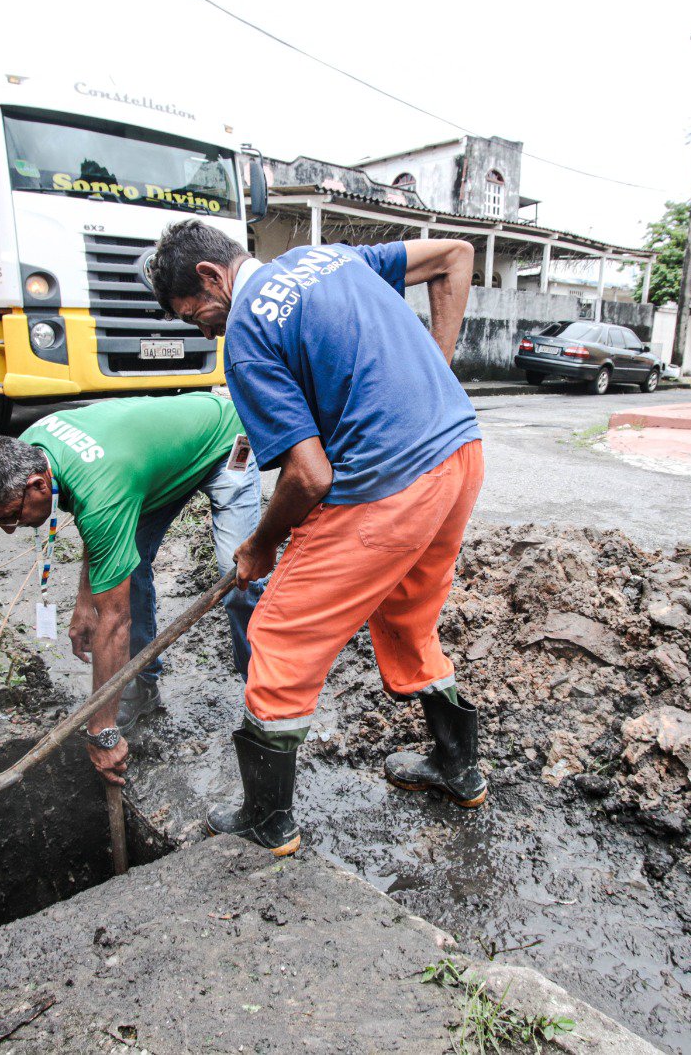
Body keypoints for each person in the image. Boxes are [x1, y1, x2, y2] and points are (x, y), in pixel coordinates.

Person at [146, 219, 483, 858]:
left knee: (279, 635)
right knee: (410, 620)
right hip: (459, 454)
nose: (206, 329)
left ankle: (266, 818)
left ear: (210, 277)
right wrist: (440, 369)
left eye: (196, 316)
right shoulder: (325, 257)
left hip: (387, 486)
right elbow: (455, 257)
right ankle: (459, 769)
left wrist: (262, 544)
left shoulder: (245, 336)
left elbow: (309, 475)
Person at [0, 392, 265, 777]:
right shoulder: (34, 446)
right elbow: (96, 527)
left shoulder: (98, 489)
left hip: (223, 440)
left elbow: (115, 621)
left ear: (37, 485)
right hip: (149, 465)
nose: (8, 528)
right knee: (127, 569)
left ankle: (264, 695)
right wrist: (85, 604)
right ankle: (143, 685)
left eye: (11, 516)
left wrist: (101, 729)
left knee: (237, 576)